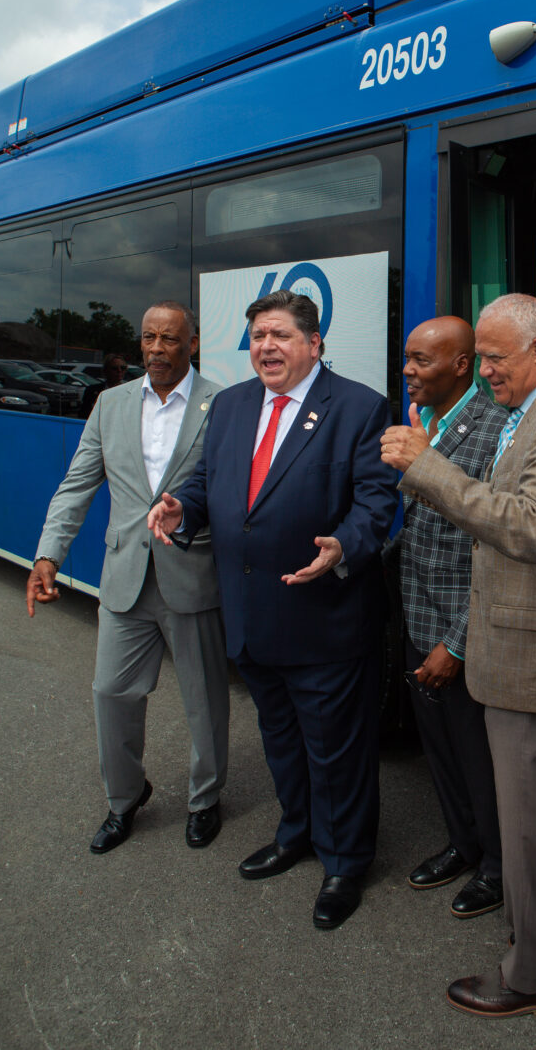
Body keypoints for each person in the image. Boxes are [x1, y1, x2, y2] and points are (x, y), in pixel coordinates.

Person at [381, 293, 536, 1018]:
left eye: (493, 357)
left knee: (527, 826)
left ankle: (533, 974)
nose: (483, 372)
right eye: (480, 357)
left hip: (532, 659)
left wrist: (428, 468)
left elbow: (531, 526)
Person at [148, 290, 397, 930]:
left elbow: (376, 504)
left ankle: (345, 862)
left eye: (281, 335)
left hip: (325, 618)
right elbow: (208, 480)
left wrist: (344, 545)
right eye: (258, 335)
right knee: (282, 741)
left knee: (335, 751)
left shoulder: (359, 408)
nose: (266, 347)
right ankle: (297, 834)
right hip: (253, 618)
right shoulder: (230, 406)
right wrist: (183, 506)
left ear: (315, 344)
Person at [26, 302, 228, 854]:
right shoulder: (109, 404)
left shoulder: (222, 404)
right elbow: (77, 485)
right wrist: (48, 555)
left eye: (170, 339)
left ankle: (205, 799)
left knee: (204, 701)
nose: (157, 349)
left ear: (192, 344)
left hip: (192, 572)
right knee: (110, 692)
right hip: (125, 576)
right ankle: (125, 798)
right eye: (148, 338)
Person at [389, 316, 505, 918]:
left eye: (421, 361)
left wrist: (456, 644)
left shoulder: (495, 430)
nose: (408, 370)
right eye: (407, 359)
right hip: (418, 620)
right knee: (440, 754)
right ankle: (462, 844)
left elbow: (496, 550)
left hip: (464, 635)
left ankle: (498, 867)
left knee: (479, 759)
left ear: (462, 366)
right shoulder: (422, 423)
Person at [79, 352, 129, 418]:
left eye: (123, 368)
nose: (119, 371)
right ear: (106, 370)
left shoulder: (130, 392)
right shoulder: (91, 391)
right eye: (114, 368)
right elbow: (84, 414)